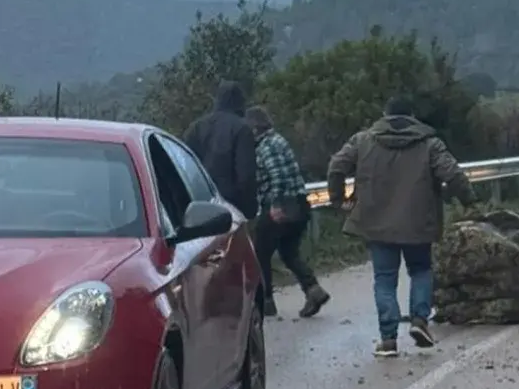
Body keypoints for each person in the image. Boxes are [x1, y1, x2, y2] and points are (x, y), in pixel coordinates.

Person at [327, 95, 475, 357]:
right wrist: (466, 201)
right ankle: (419, 320)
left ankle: (388, 340)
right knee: (420, 270)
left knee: (384, 279)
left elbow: (336, 166)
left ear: (385, 114)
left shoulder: (363, 140)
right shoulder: (429, 144)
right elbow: (453, 174)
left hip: (375, 222)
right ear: (412, 118)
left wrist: (340, 201)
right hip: (418, 222)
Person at [246, 106, 328, 319]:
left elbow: (278, 177)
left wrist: (275, 205)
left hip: (283, 205)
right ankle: (313, 289)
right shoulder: (279, 140)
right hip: (299, 204)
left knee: (260, 252)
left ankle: (266, 301)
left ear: (255, 128)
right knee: (289, 252)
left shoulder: (267, 146)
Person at [184, 81, 259, 222]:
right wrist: (250, 209)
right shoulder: (242, 129)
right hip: (232, 208)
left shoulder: (196, 127)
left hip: (200, 207)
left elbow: (187, 168)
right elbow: (246, 175)